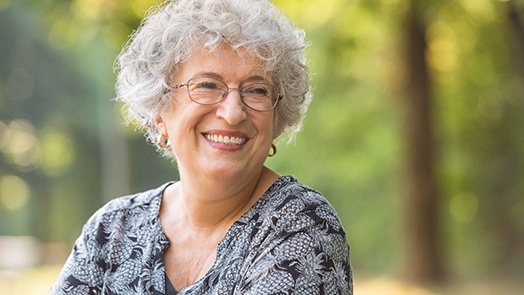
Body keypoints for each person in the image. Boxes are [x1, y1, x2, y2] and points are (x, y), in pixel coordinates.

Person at [50, 0, 353, 294]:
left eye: (257, 90)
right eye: (208, 85)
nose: (233, 112)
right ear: (160, 111)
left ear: (276, 120)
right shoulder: (111, 230)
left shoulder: (301, 225)